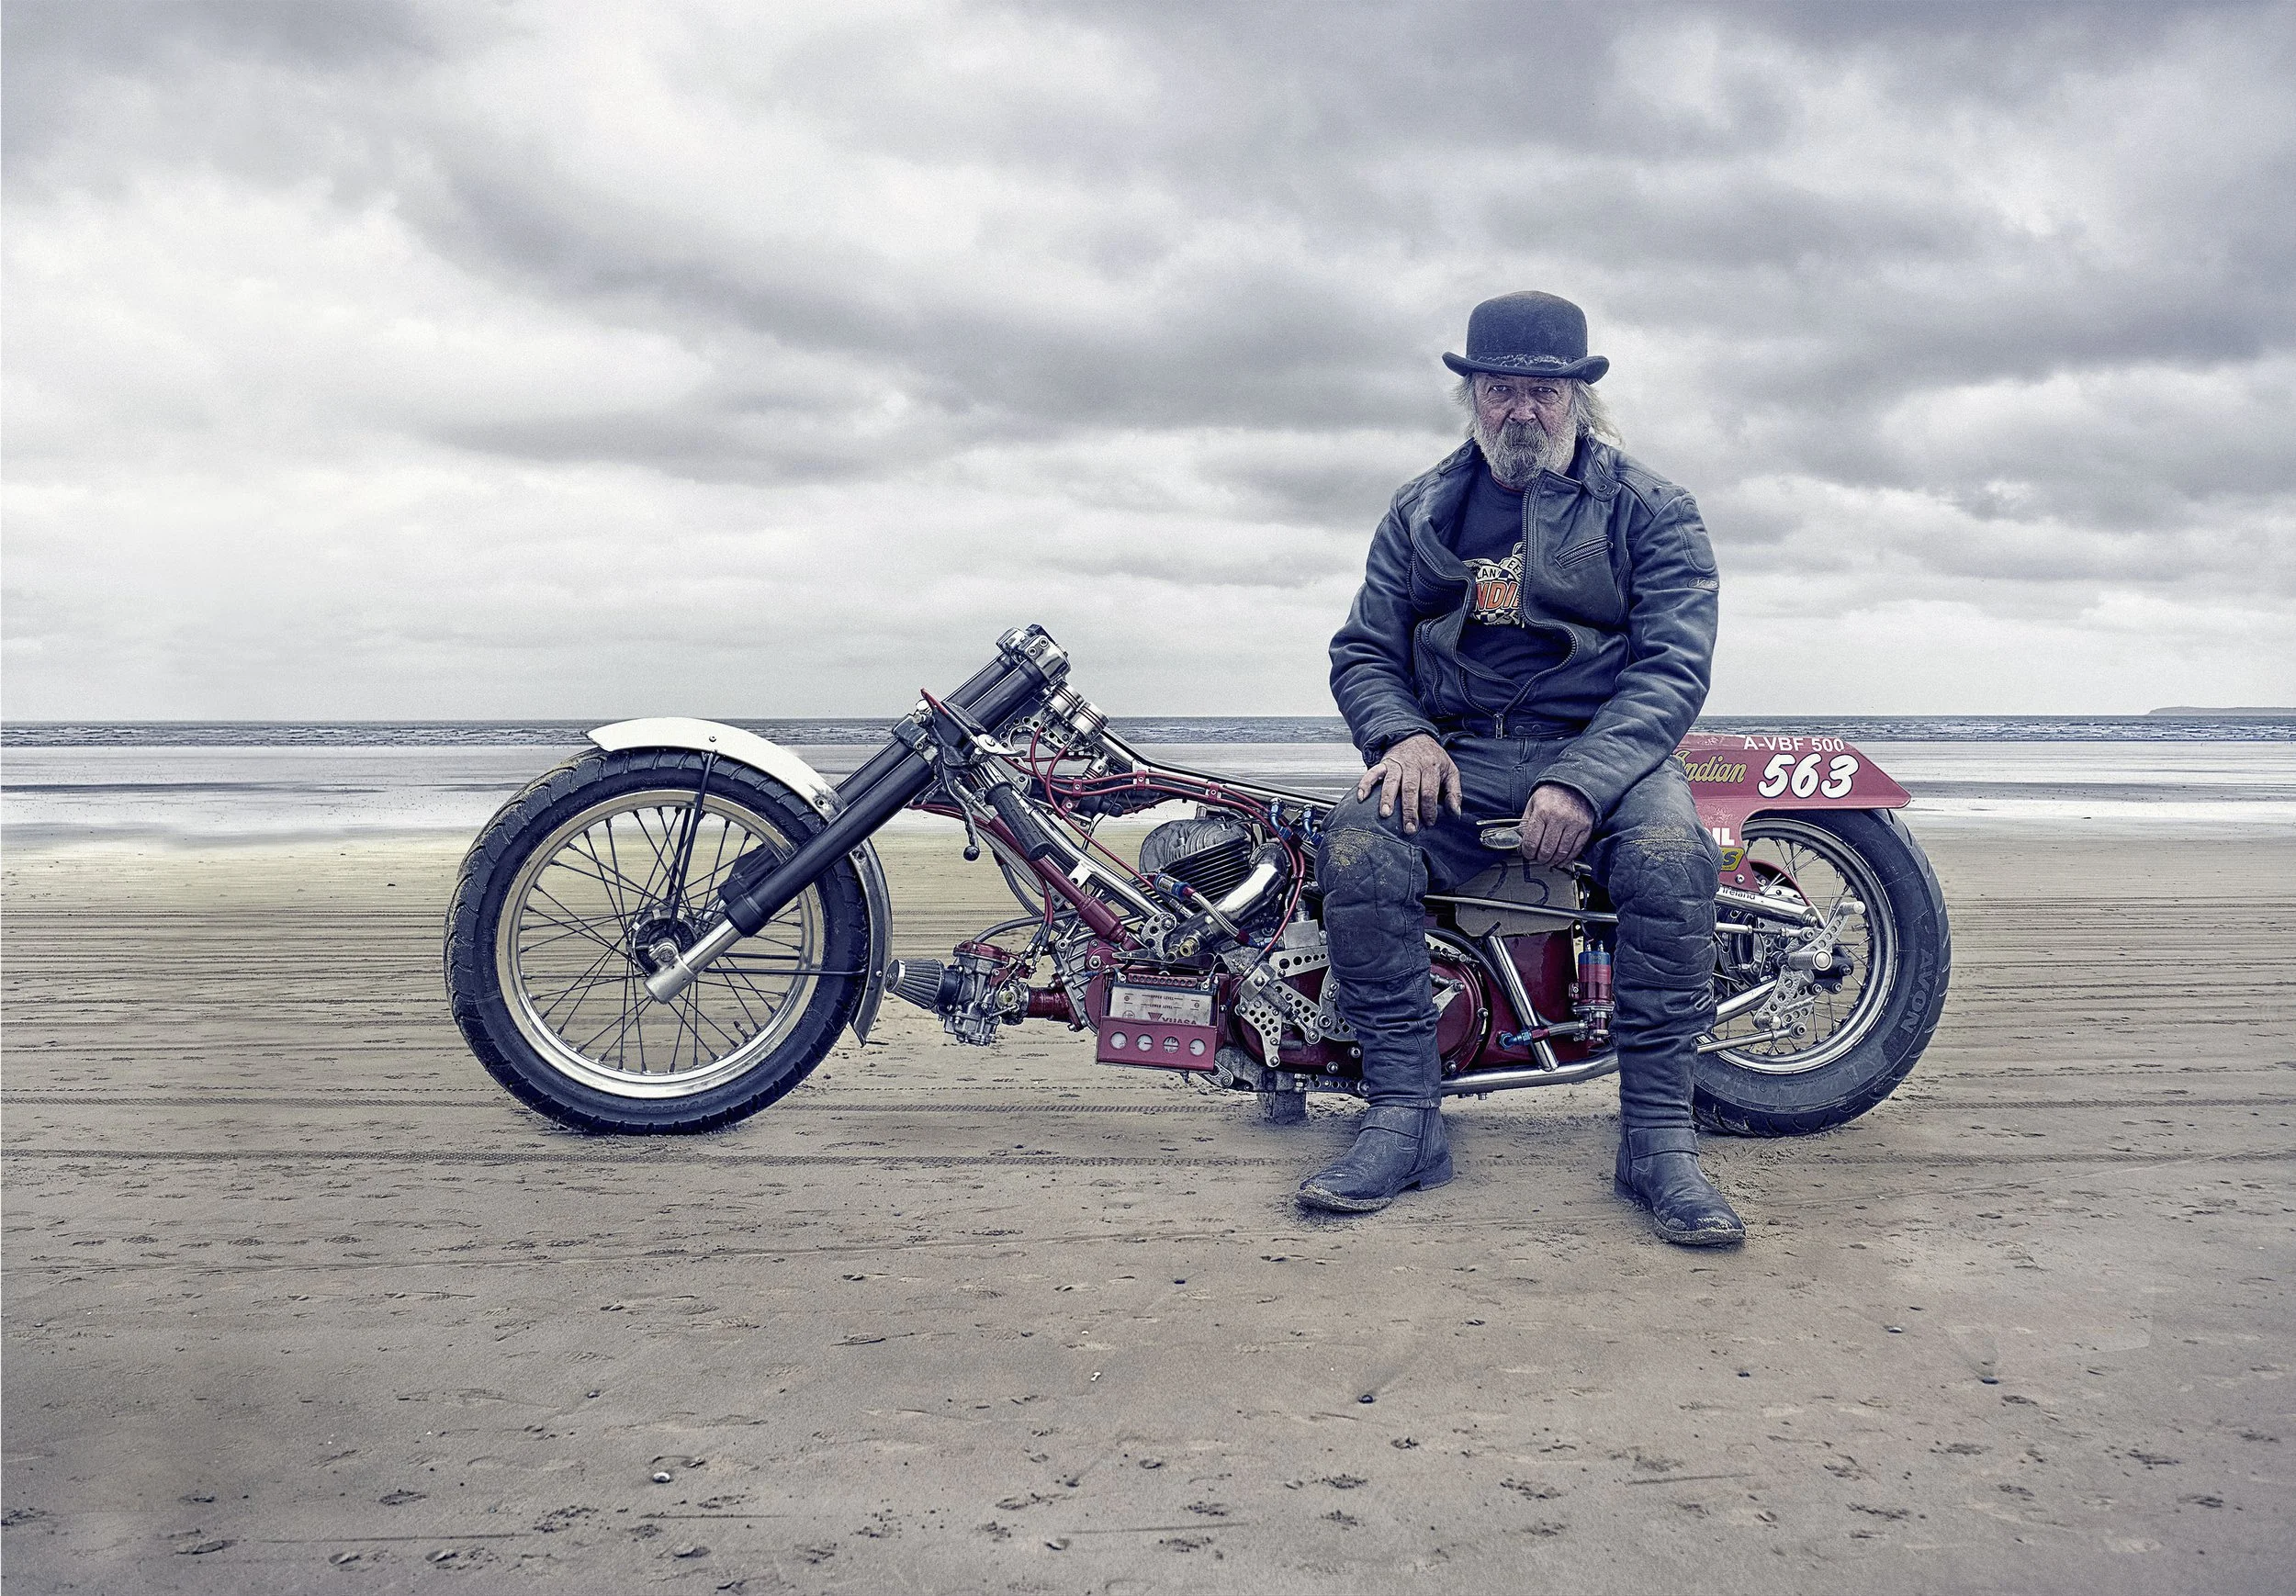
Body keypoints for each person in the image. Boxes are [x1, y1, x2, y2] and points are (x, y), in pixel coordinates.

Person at [1304, 290, 1744, 1246]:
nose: (1521, 411)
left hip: (1608, 752)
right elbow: (1363, 651)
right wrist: (1401, 738)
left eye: (1541, 391)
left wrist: (1584, 777)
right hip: (1456, 754)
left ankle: (1658, 1141)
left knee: (1672, 861)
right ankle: (1403, 1119)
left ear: (1576, 398)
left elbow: (1673, 667)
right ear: (1473, 395)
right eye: (1501, 389)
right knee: (1357, 848)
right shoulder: (1419, 508)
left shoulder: (1652, 509)